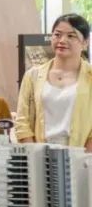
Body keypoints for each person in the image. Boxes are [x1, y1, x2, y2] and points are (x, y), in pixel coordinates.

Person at [15, 13, 92, 149]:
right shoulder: (32, 75)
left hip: (82, 154)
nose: (62, 40)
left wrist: (83, 157)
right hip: (39, 153)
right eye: (57, 35)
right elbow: (22, 122)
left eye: (71, 36)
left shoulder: (89, 76)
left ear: (85, 42)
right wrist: (35, 154)